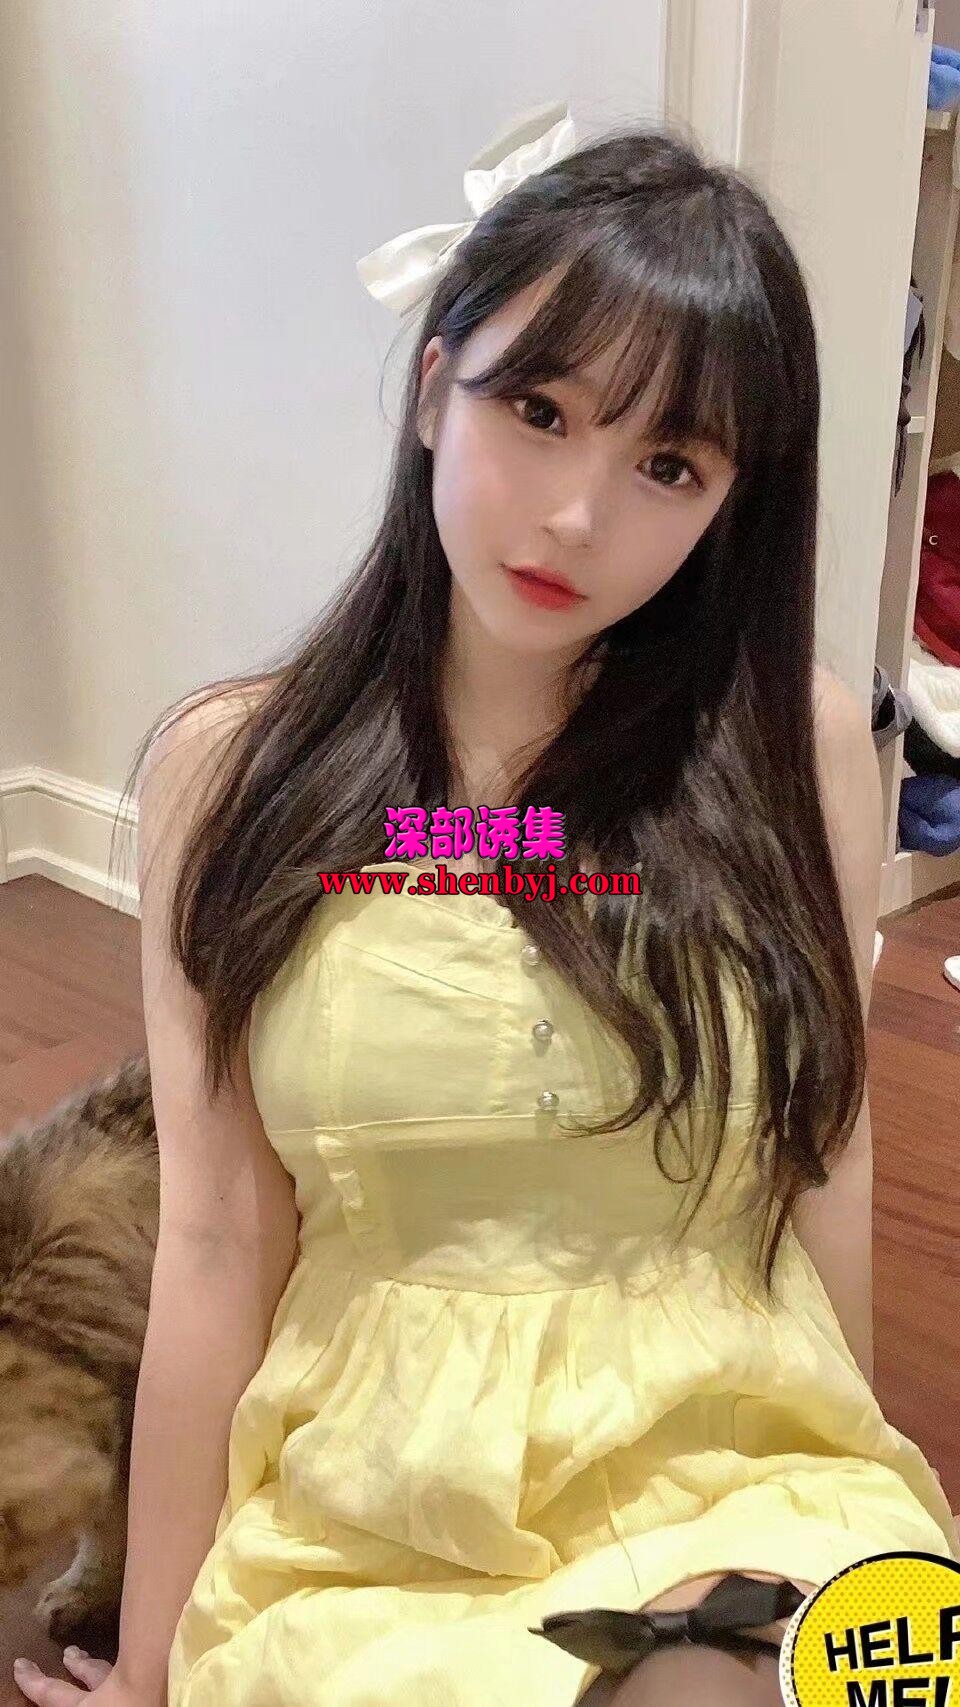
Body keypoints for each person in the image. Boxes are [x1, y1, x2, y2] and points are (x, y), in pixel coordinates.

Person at [14, 103, 958, 1707]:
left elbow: (829, 1149)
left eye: (669, 463)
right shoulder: (228, 773)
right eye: (538, 409)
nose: (578, 515)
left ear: (731, 504)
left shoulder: (790, 744)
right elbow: (220, 1237)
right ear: (431, 385)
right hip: (383, 1496)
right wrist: (154, 1665)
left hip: (733, 1446)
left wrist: (855, 1477)